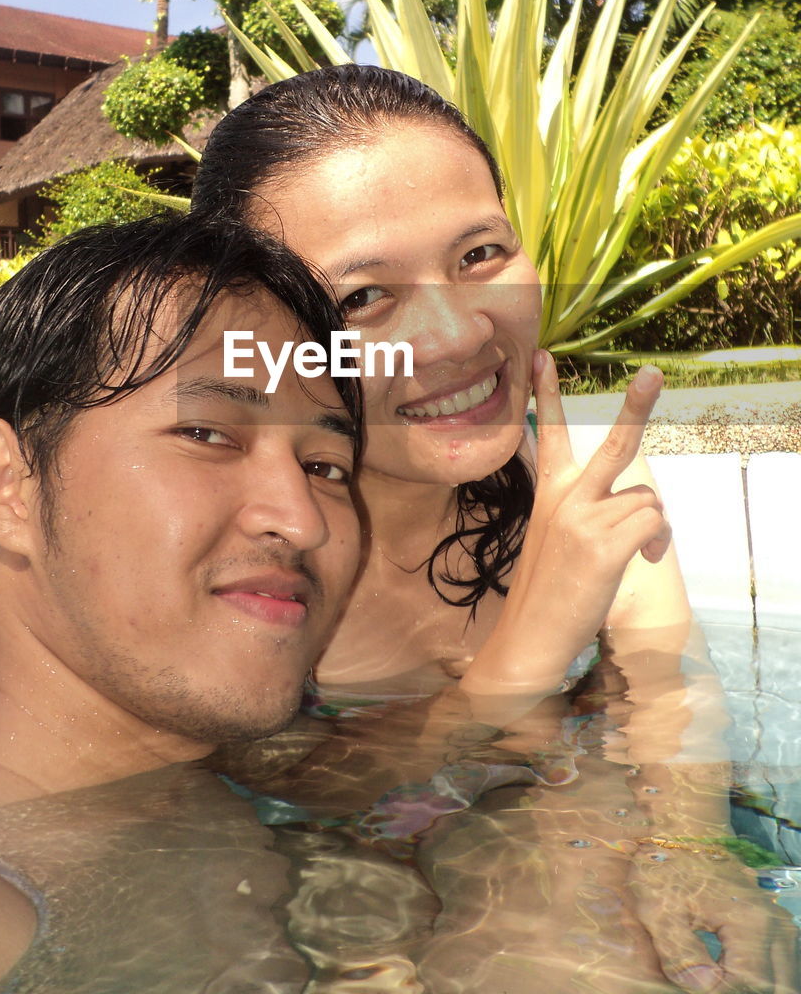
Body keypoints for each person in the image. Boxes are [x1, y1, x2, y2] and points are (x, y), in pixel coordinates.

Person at [192, 65, 799, 993]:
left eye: (480, 256)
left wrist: (688, 848)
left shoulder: (588, 479)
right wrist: (524, 659)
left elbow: (666, 686)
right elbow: (286, 784)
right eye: (362, 298)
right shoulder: (246, 543)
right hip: (323, 860)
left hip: (558, 804)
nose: (456, 336)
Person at [0, 213, 364, 993]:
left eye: (326, 465)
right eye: (207, 432)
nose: (302, 517)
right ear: (6, 487)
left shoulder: (185, 790)